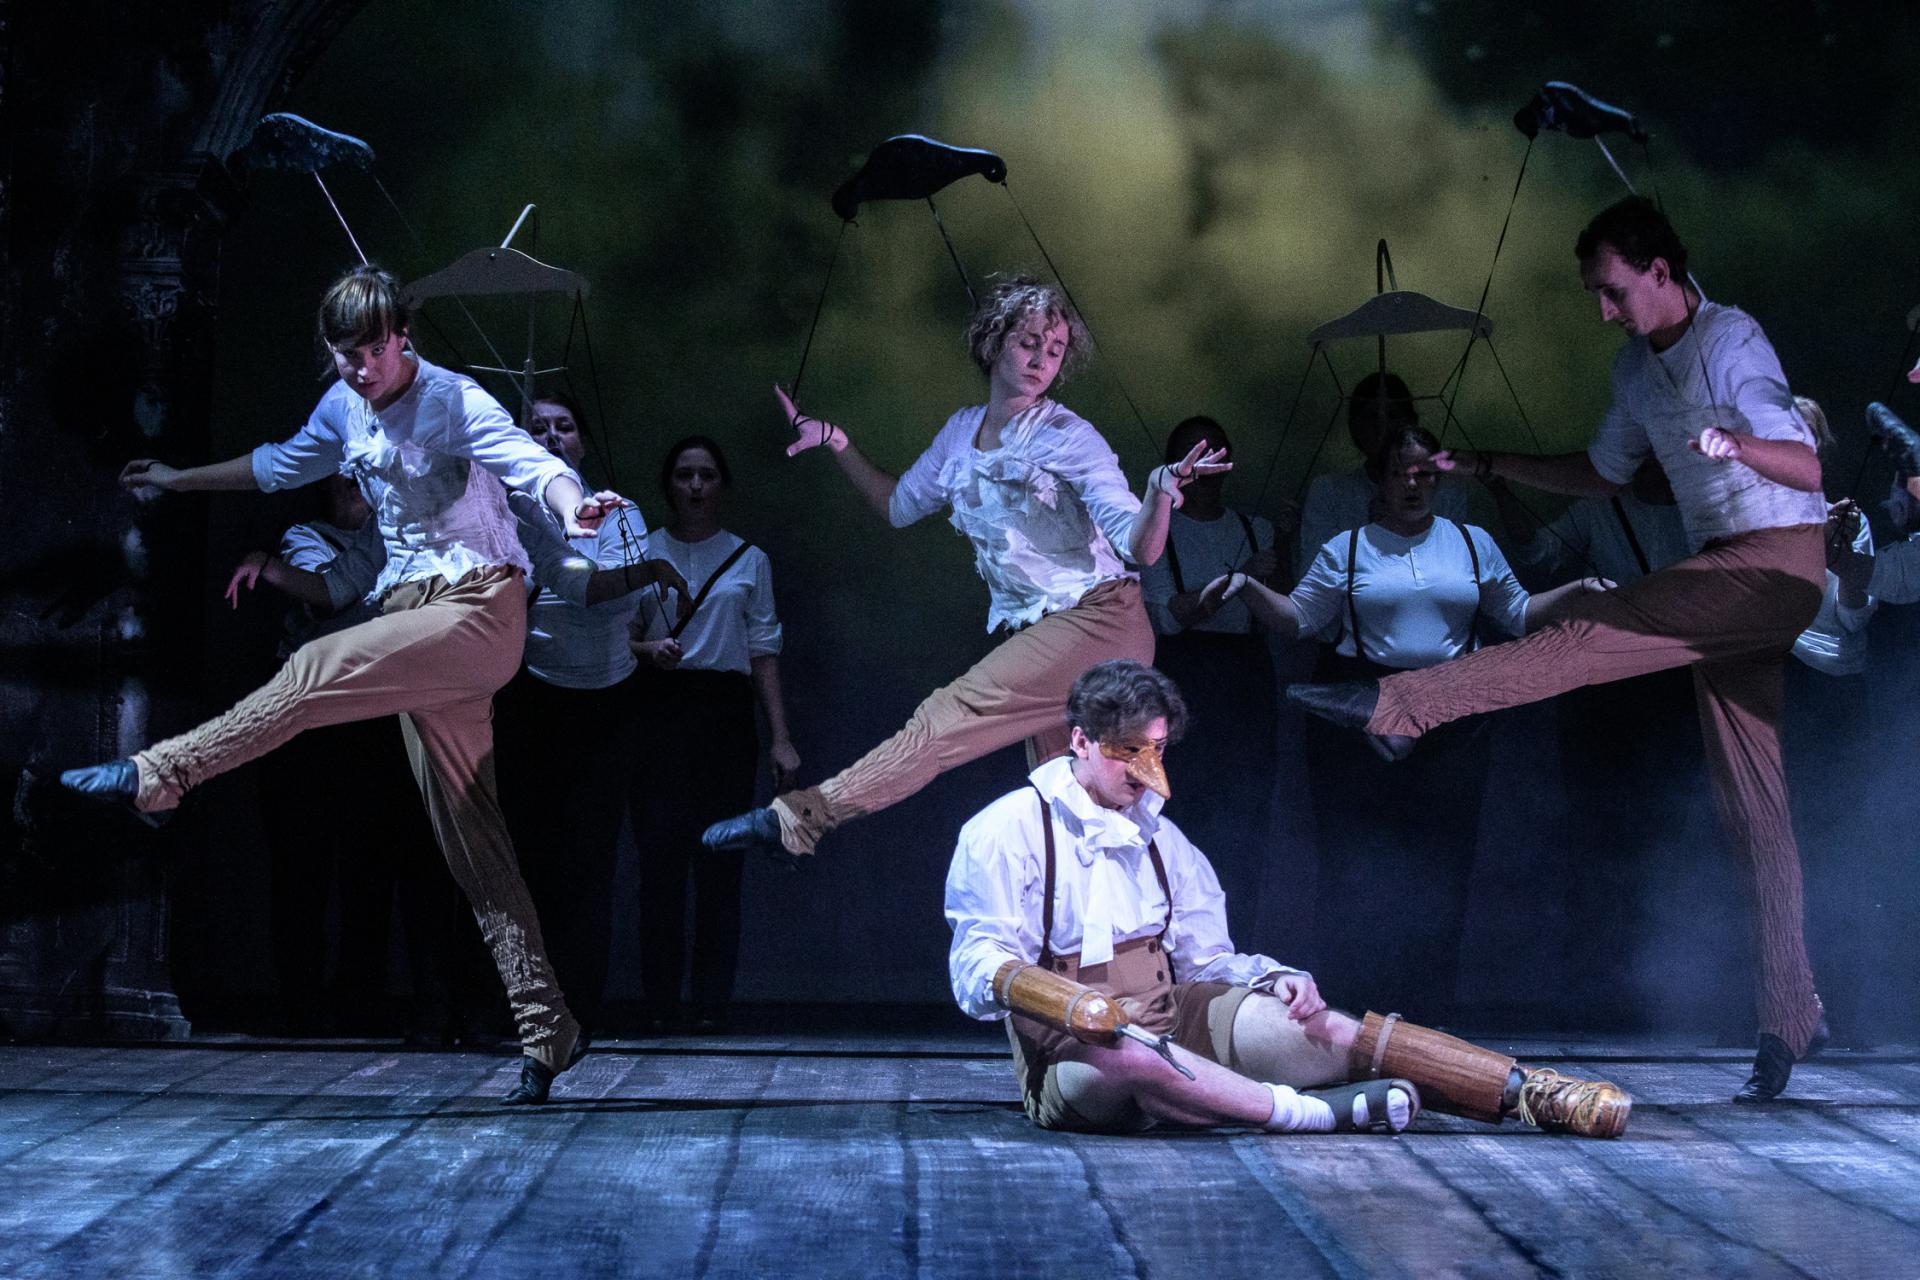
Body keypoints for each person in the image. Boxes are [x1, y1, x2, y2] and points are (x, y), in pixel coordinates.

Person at [61, 264, 659, 1104]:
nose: (362, 368)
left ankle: (163, 773)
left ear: (401, 338)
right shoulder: (343, 406)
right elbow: (278, 465)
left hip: (478, 611)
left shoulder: (454, 400)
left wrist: (573, 508)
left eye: (375, 351)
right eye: (346, 354)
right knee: (474, 845)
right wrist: (175, 478)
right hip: (415, 622)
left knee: (314, 667)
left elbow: (532, 466)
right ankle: (548, 1025)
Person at [1286, 197, 1833, 1102]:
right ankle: (1790, 1009)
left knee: (1591, 634)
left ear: (1660, 271)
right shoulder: (1635, 371)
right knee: (1755, 810)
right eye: (1595, 295)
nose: (1604, 310)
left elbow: (1807, 467)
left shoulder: (1731, 340)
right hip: (1727, 573)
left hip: (1775, 566)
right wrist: (1490, 463)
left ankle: (1404, 702)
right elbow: (1602, 474)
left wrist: (1736, 443)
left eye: (1614, 291)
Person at [945, 659, 1630, 1138]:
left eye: (1158, 748)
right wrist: (1073, 1007)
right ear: (1080, 741)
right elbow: (977, 965)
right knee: (1131, 1058)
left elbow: (1205, 961)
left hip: (1174, 1021)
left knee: (1324, 1028)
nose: (1148, 770)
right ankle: (1314, 1113)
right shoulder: (1007, 831)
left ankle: (1528, 1092)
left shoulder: (1162, 841)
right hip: (1077, 1057)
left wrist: (1271, 978)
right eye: (1129, 750)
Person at [703, 273, 1225, 862]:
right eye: (1029, 342)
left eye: (1055, 350)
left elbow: (1141, 549)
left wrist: (1159, 493)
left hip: (1100, 622)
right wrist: (836, 441)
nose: (1042, 360)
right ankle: (1135, 913)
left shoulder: (1067, 435)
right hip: (1048, 634)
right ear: (994, 342)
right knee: (1078, 812)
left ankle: (803, 818)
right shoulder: (959, 433)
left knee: (950, 715)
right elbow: (898, 506)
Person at [1206, 425, 1606, 1019]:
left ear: (1439, 480)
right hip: (1362, 713)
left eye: (1424, 474)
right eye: (1401, 474)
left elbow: (1519, 613)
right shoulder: (1347, 548)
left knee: (1444, 860)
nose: (1413, 485)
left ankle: (1427, 1008)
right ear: (1381, 479)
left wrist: (1578, 589)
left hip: (1451, 715)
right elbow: (1298, 618)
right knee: (1352, 860)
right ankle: (1351, 1006)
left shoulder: (1470, 543)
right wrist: (1246, 586)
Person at [491, 395, 687, 1047]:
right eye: (537, 428)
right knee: (529, 858)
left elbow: (621, 604)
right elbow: (570, 587)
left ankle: (580, 1008)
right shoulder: (513, 508)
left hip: (608, 699)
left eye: (563, 426)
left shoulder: (619, 511)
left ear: (581, 440)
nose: (551, 436)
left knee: (591, 861)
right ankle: (526, 1008)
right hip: (534, 696)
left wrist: (639, 603)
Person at [628, 436, 798, 1033]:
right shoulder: (643, 551)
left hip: (724, 714)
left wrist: (780, 736)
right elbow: (614, 636)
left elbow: (763, 649)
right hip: (659, 707)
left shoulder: (748, 559)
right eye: (684, 475)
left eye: (705, 474)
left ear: (721, 484)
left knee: (721, 861)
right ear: (668, 485)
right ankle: (659, 1004)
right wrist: (648, 650)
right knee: (660, 862)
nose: (696, 485)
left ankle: (710, 1005)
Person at [1137, 415, 1279, 939]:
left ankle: (1238, 939)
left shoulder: (1257, 529)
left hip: (1247, 677)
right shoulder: (1156, 530)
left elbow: (1287, 614)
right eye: (1195, 456)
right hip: (1183, 677)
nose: (1208, 466)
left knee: (1248, 814)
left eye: (1217, 453)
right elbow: (1170, 616)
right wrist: (1237, 580)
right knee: (1181, 809)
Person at [1293, 371, 1472, 581]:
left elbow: (1458, 574)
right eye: (1371, 417)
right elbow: (1314, 576)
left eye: (1392, 415)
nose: (1382, 426)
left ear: (1411, 422)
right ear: (1354, 426)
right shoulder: (1329, 492)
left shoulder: (1446, 493)